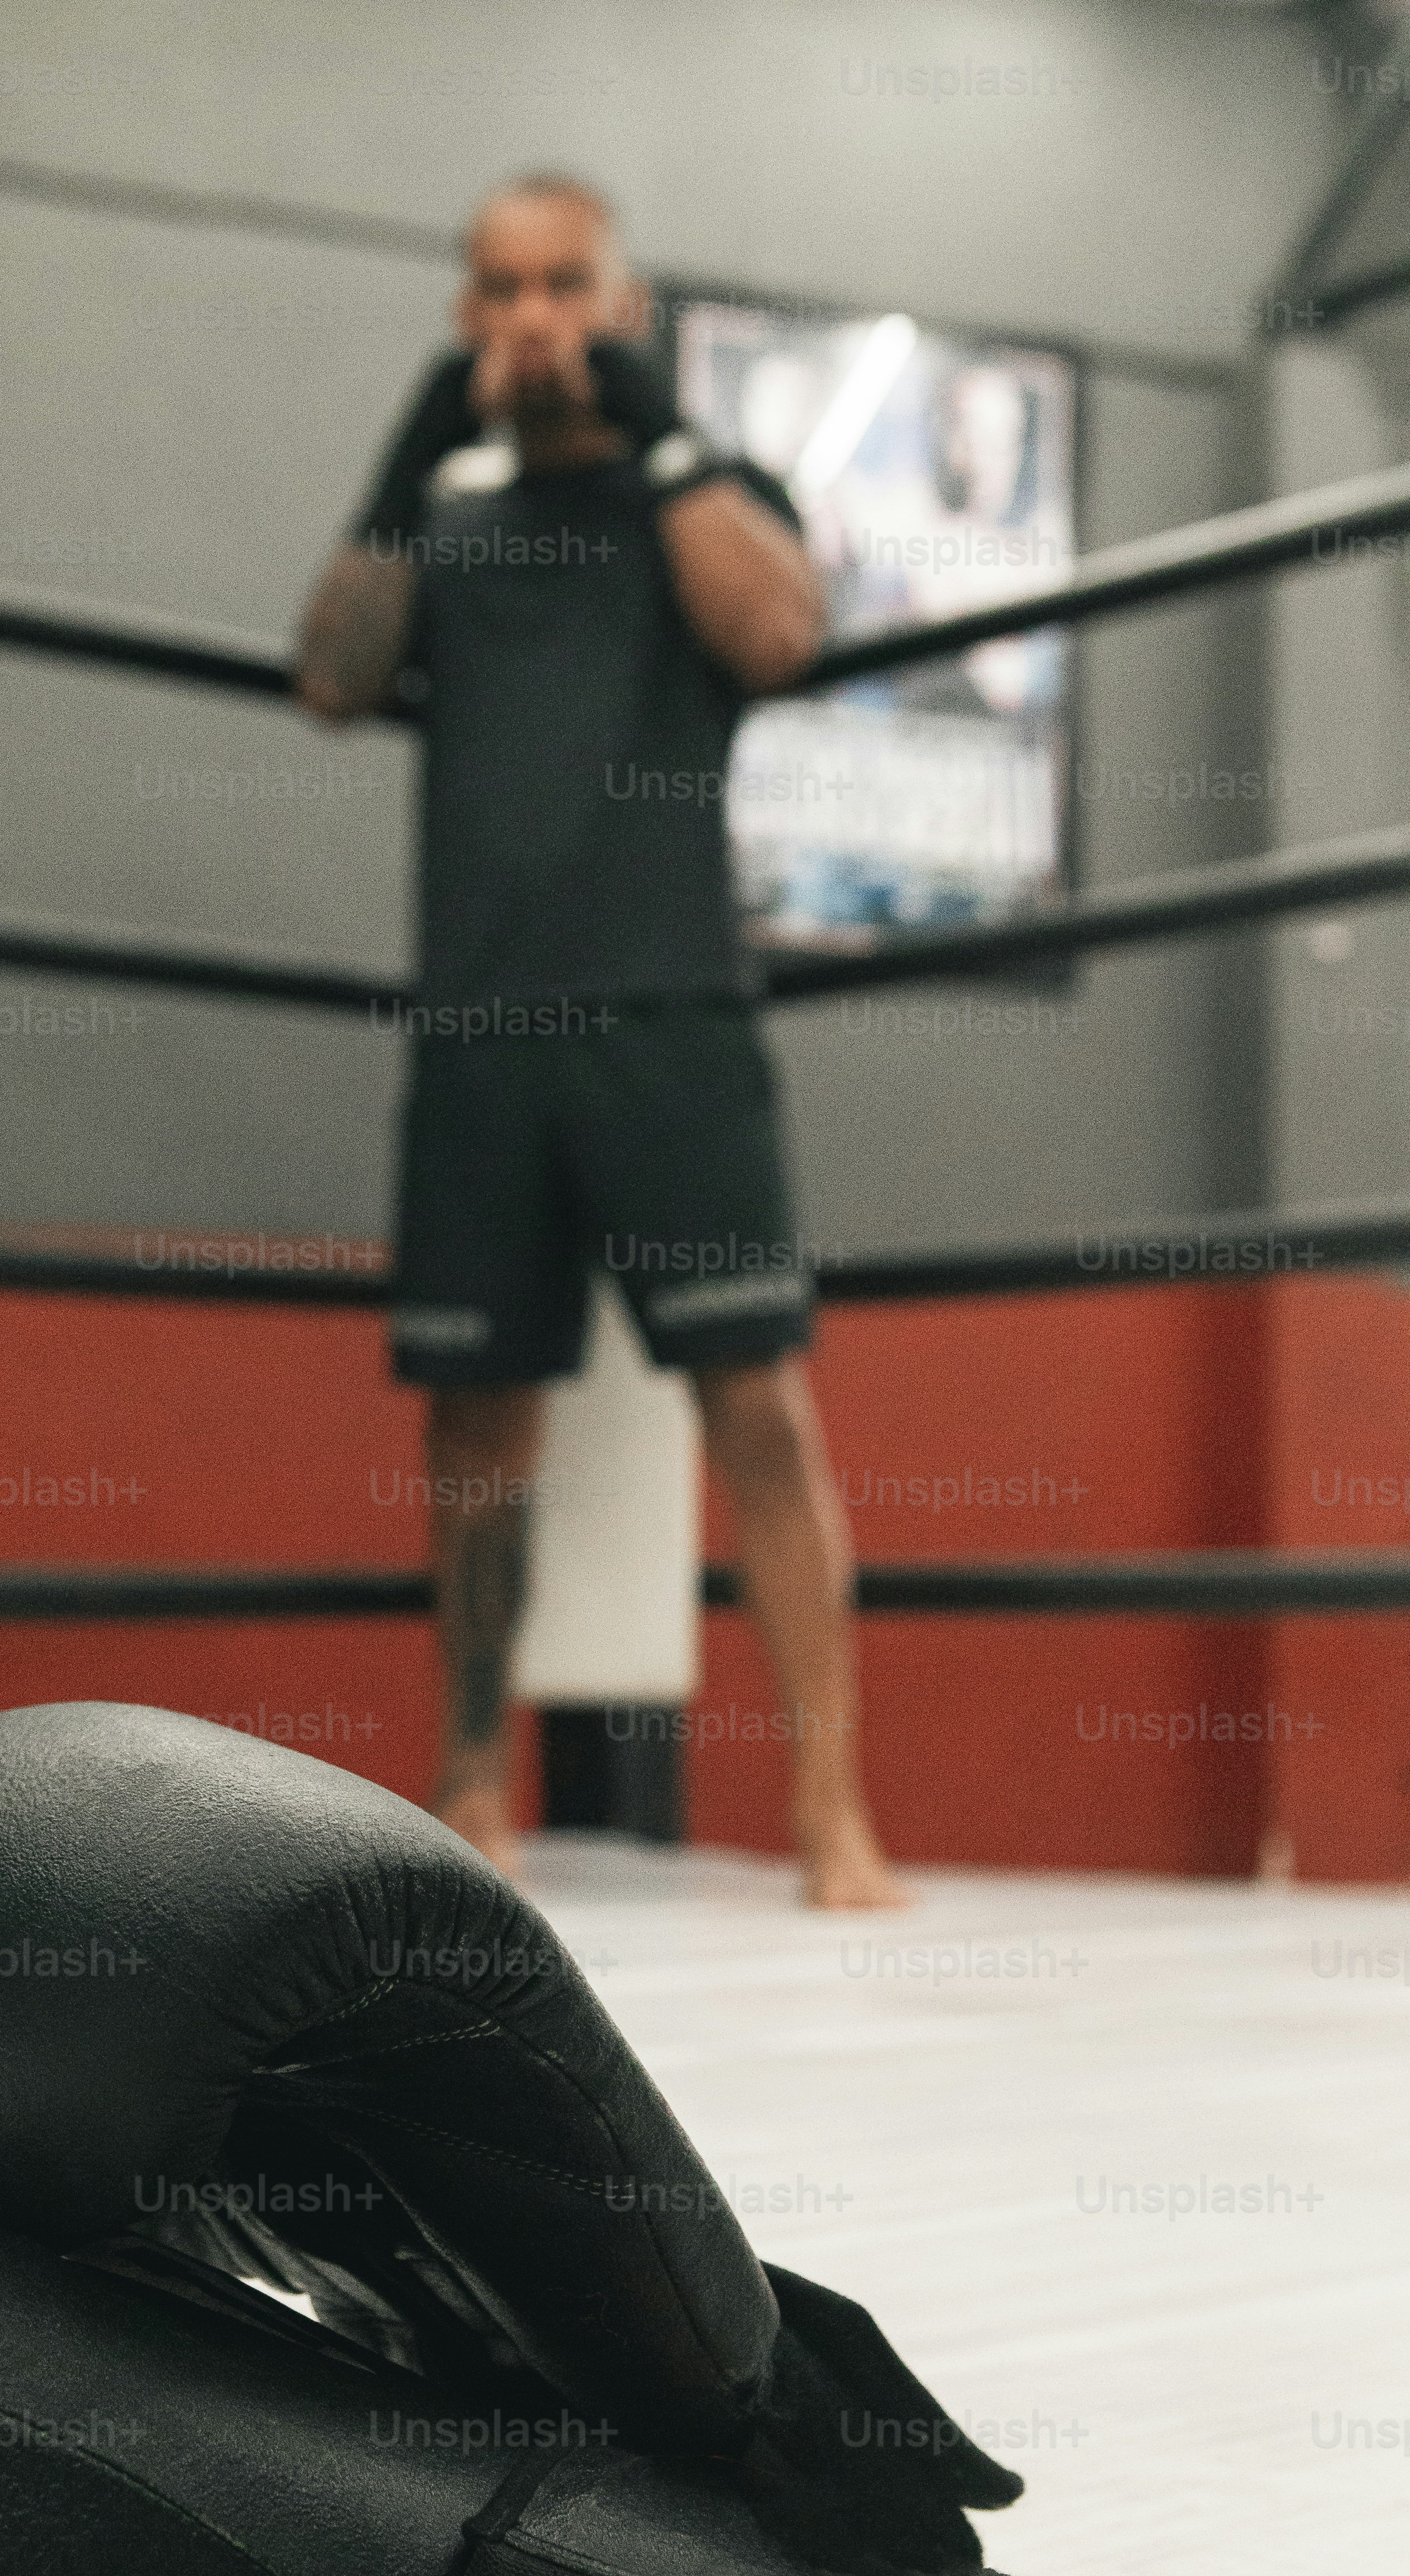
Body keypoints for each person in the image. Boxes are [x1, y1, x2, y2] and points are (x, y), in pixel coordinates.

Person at [294, 171, 907, 1909]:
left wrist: (660, 427)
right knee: (478, 1427)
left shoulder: (707, 504)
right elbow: (333, 675)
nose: (533, 315)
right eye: (497, 289)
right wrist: (415, 451)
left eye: (566, 284)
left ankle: (829, 1812)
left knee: (760, 1410)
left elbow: (779, 631)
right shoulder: (459, 528)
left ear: (619, 305)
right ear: (466, 318)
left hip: (672, 1024)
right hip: (486, 1031)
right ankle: (473, 1785)